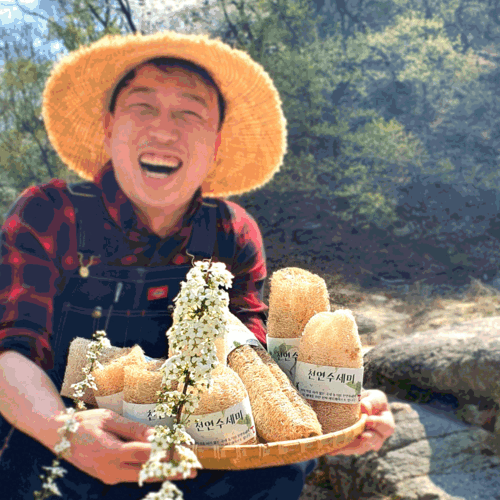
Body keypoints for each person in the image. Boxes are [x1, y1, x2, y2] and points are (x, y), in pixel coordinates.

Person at [0, 31, 395, 499]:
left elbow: (253, 361)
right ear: (108, 127)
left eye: (189, 113)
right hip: (61, 452)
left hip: (208, 463)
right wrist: (65, 432)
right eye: (142, 107)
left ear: (216, 143)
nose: (164, 131)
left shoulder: (233, 232)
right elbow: (11, 352)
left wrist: (335, 409)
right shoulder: (50, 212)